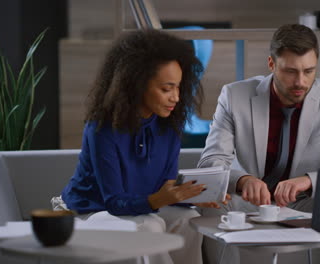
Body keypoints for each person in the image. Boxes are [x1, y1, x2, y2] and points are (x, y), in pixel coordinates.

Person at [198, 24, 320, 264]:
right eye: (290, 71)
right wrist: (242, 180)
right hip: (247, 201)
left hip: (303, 201)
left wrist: (309, 181)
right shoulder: (234, 96)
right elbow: (211, 162)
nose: (300, 82)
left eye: (309, 71)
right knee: (211, 203)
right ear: (271, 64)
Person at [55, 29, 220, 264]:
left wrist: (190, 197)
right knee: (150, 225)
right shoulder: (103, 129)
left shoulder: (169, 126)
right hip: (91, 212)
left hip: (139, 208)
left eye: (178, 87)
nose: (176, 97)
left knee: (189, 218)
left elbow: (163, 188)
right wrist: (160, 199)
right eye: (166, 89)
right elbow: (114, 202)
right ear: (137, 84)